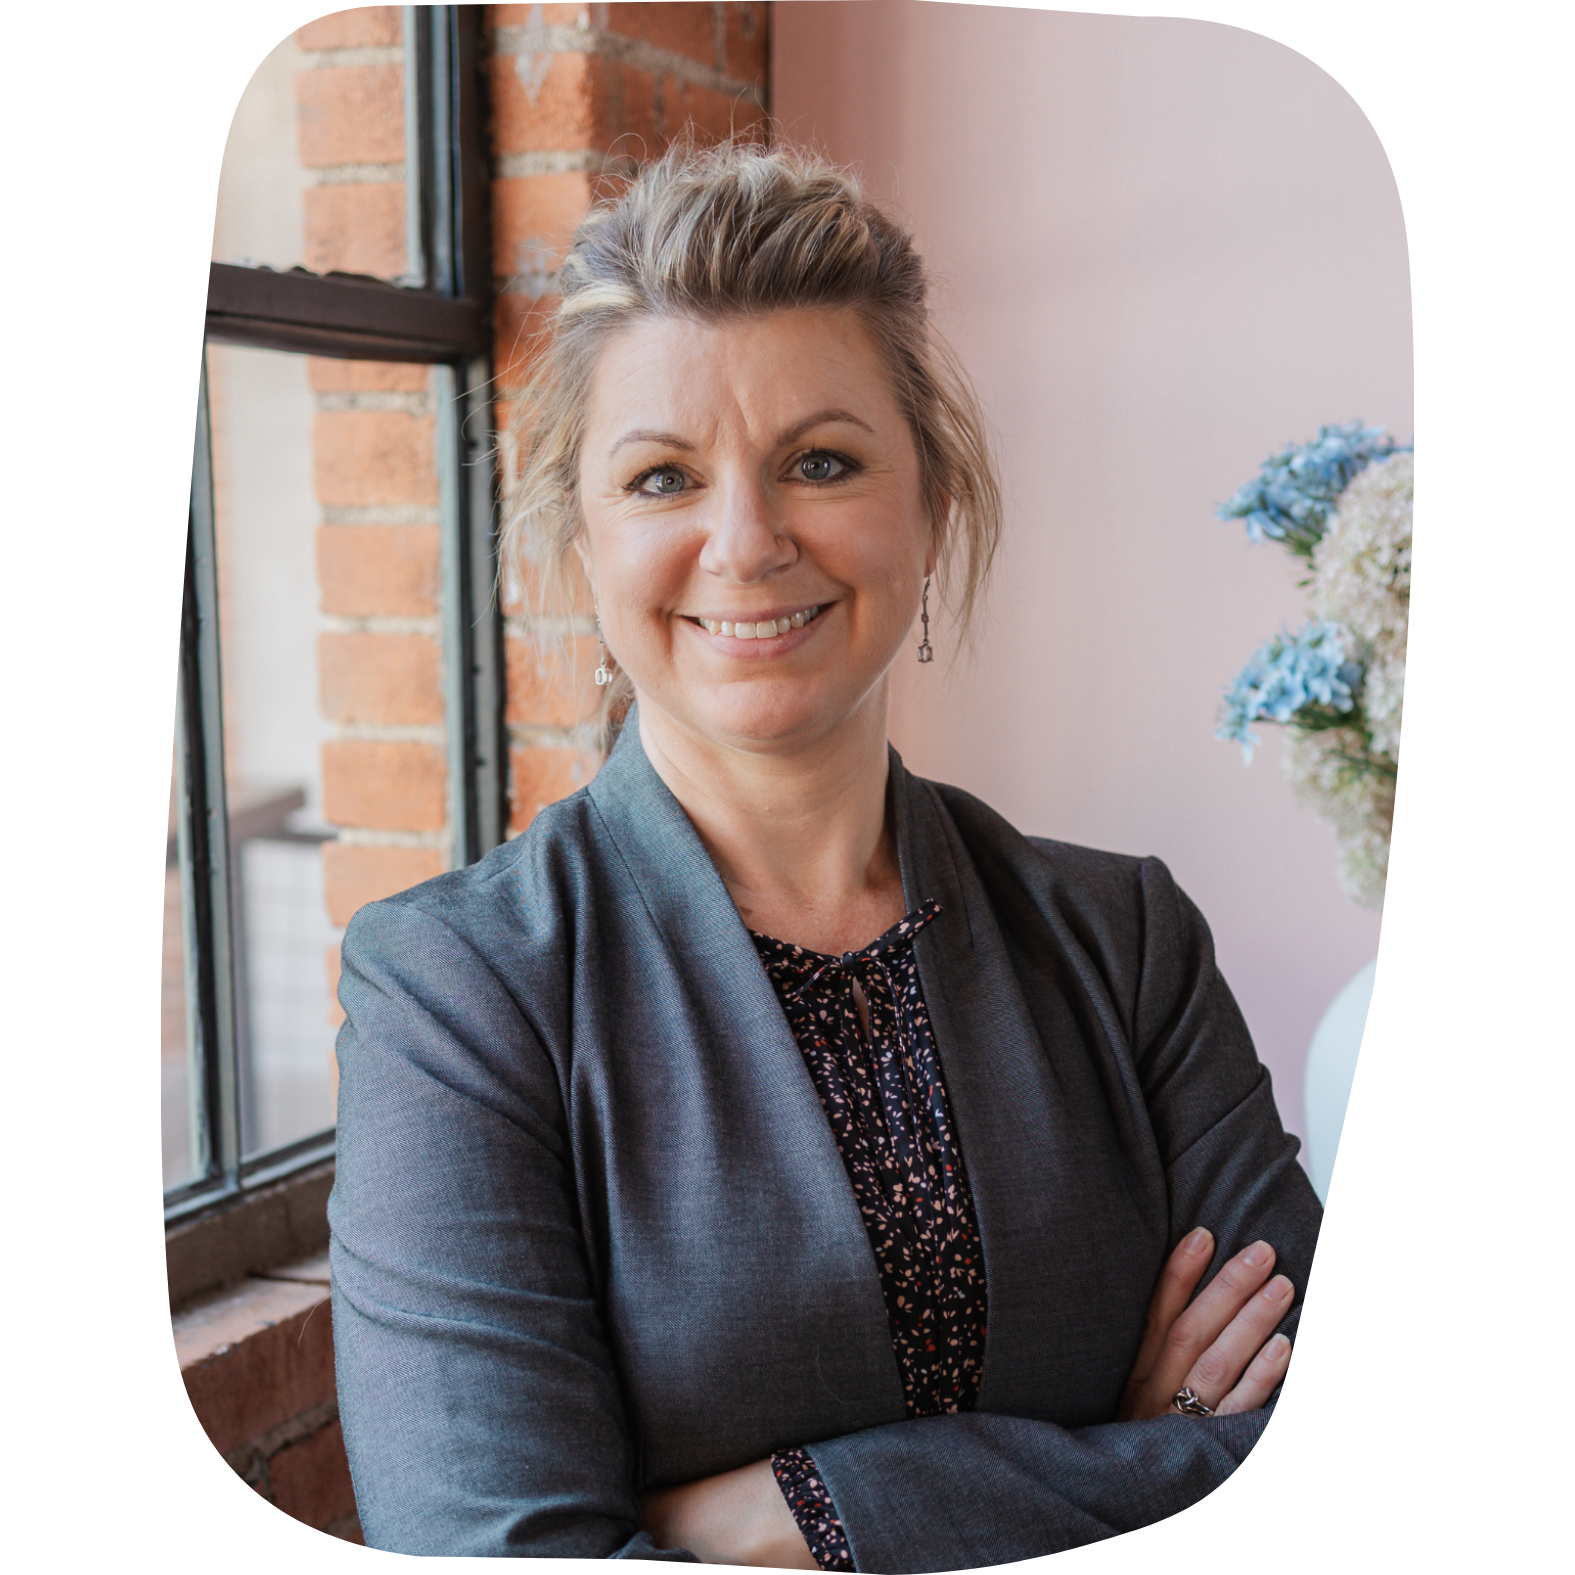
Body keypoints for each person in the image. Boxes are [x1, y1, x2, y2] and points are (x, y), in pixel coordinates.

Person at [329, 137, 1320, 1567]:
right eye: (662, 478)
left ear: (928, 507)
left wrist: (798, 1514)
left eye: (820, 460)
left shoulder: (1128, 938)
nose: (745, 541)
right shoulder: (459, 990)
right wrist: (1130, 1446)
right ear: (583, 542)